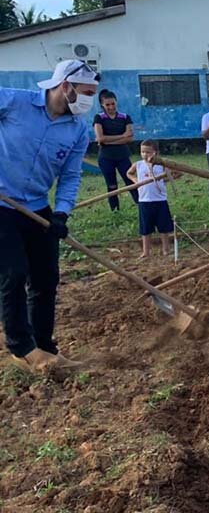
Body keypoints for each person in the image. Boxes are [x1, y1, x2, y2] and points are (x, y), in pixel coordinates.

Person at [1, 59, 98, 372]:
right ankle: (20, 347)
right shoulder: (14, 102)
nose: (89, 99)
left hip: (37, 207)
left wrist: (61, 213)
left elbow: (70, 176)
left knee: (46, 279)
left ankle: (44, 346)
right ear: (66, 86)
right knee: (13, 272)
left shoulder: (78, 130)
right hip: (2, 204)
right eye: (87, 92)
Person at [127, 140, 176, 259]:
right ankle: (146, 251)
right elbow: (129, 173)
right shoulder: (138, 165)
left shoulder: (161, 164)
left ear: (156, 153)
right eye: (142, 152)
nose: (145, 154)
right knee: (146, 228)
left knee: (164, 227)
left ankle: (166, 249)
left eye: (148, 152)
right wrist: (136, 181)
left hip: (160, 200)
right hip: (144, 201)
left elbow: (177, 173)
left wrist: (163, 179)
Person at [93, 89, 137, 212]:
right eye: (107, 105)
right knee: (112, 186)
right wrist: (122, 135)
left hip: (123, 156)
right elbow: (100, 138)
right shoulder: (99, 118)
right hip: (106, 158)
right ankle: (115, 211)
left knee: (131, 182)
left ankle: (141, 206)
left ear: (116, 102)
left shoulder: (125, 117)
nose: (111, 107)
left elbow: (130, 138)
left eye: (113, 103)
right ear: (102, 105)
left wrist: (108, 141)